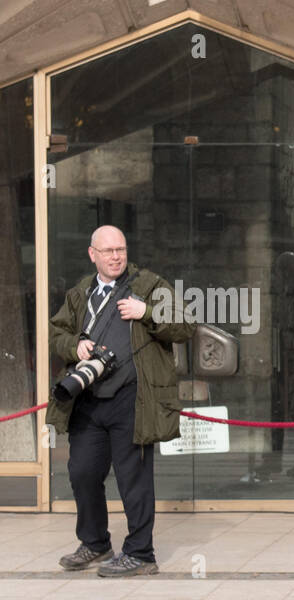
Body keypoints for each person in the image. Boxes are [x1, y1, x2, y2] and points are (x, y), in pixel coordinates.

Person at [47, 226, 196, 575]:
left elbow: (185, 326)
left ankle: (141, 553)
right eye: (109, 250)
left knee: (134, 478)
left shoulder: (150, 287)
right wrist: (75, 347)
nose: (116, 256)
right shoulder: (80, 293)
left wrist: (147, 312)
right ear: (92, 254)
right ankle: (95, 543)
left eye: (121, 250)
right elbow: (56, 333)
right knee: (82, 472)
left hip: (133, 399)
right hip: (88, 401)